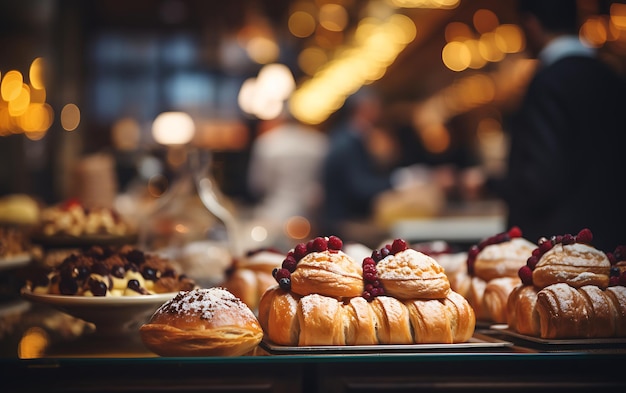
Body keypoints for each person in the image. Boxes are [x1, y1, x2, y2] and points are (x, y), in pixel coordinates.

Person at [502, 0, 626, 251]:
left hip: (562, 248)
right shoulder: (612, 76)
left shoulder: (547, 83)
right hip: (613, 242)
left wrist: (497, 186)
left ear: (531, 23)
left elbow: (540, 177)